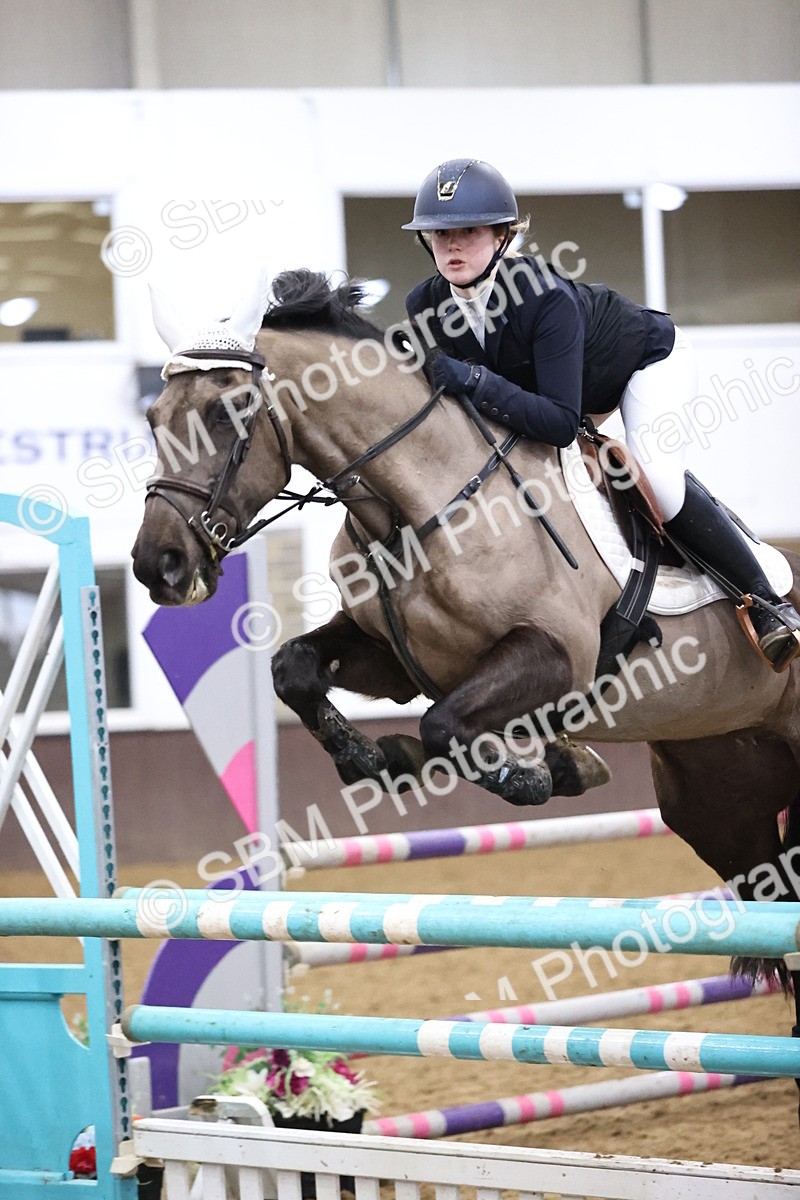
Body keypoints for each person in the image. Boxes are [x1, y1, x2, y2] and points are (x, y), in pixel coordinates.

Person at [403, 157, 800, 671]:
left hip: (646, 363)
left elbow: (561, 424)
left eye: (468, 231)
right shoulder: (424, 303)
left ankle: (768, 602)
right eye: (438, 234)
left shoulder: (545, 298)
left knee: (656, 478)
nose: (451, 246)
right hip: (554, 391)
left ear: (503, 236)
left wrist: (474, 380)